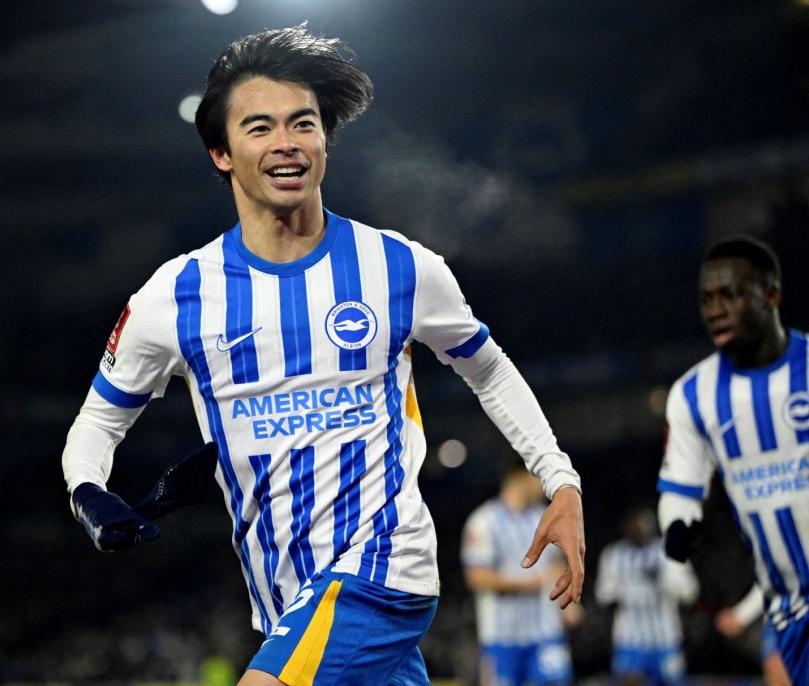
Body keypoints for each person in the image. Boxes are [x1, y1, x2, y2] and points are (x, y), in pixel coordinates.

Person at [61, 24, 585, 686]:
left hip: (383, 570)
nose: (286, 143)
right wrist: (88, 491)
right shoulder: (174, 296)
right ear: (221, 152)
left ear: (325, 140)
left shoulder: (399, 267)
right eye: (259, 127)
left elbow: (489, 370)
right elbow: (97, 423)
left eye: (302, 123)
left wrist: (559, 479)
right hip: (287, 599)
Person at [656, 234, 809, 684]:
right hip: (789, 610)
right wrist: (677, 527)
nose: (715, 310)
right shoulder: (692, 395)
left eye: (730, 295)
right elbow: (679, 489)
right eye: (706, 300)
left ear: (771, 296)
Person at [461, 457, 581, 686]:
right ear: (522, 476)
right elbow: (477, 578)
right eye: (540, 478)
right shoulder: (483, 521)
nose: (544, 486)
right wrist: (530, 583)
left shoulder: (543, 517)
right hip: (501, 639)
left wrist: (568, 604)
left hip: (545, 633)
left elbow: (555, 564)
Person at [594, 507, 699, 686]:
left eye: (645, 524)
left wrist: (665, 580)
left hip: (665, 640)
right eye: (636, 525)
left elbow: (690, 592)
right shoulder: (613, 555)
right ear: (627, 527)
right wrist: (622, 586)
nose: (641, 529)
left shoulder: (669, 552)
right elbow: (603, 595)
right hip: (630, 640)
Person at [714, 583, 791, 686]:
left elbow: (773, 579)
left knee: (781, 674)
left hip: (790, 621)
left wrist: (740, 616)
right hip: (779, 621)